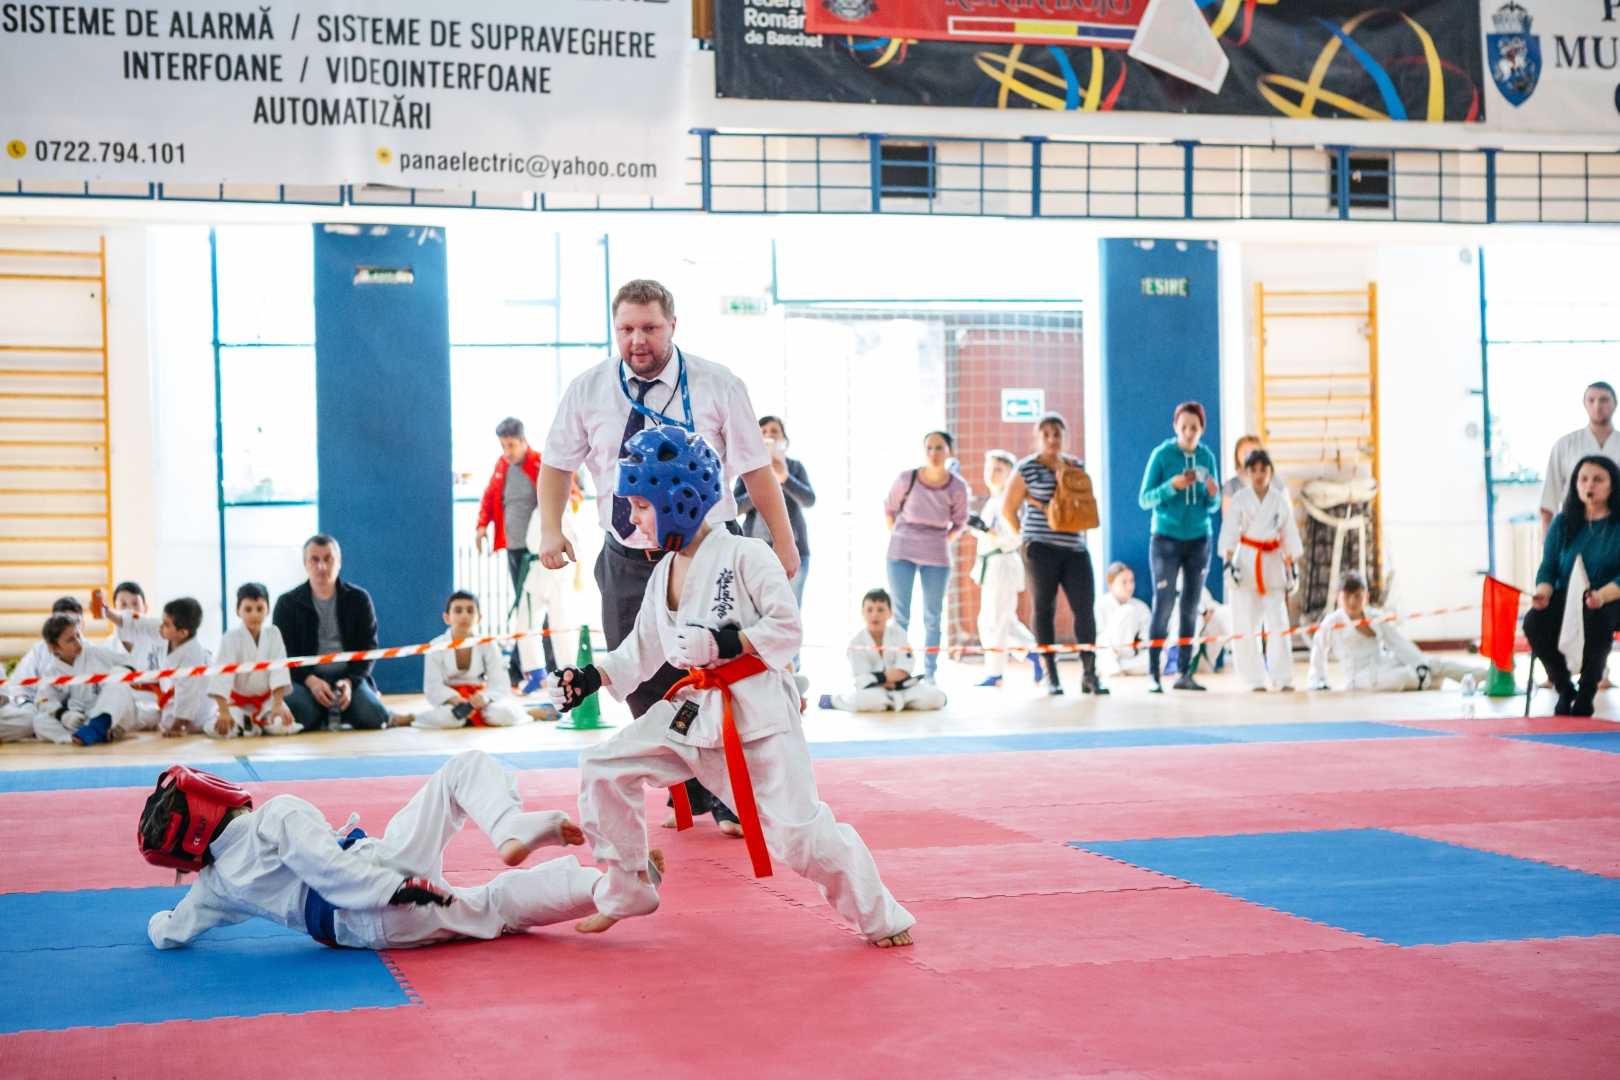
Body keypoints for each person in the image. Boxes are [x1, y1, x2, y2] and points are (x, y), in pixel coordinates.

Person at [549, 426, 914, 947]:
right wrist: (589, 678)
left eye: (641, 506)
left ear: (677, 501)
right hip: (695, 713)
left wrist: (728, 641)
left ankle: (882, 915)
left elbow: (787, 628)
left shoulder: (748, 554)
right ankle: (627, 884)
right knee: (603, 766)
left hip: (758, 718)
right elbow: (639, 651)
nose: (632, 519)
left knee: (799, 838)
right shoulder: (664, 572)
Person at [537, 279, 796, 834]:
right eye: (626, 329)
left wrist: (784, 539)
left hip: (710, 551)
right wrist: (551, 530)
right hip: (628, 554)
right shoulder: (588, 389)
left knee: (721, 671)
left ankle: (731, 790)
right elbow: (557, 463)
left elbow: (756, 468)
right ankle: (691, 783)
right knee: (640, 678)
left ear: (673, 326)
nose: (638, 340)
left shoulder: (719, 384)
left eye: (650, 328)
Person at [144, 750, 623, 951]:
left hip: (370, 935)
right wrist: (394, 888)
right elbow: (327, 868)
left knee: (496, 908)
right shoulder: (274, 816)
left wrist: (157, 923)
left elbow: (169, 931)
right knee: (461, 771)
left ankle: (601, 890)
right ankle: (508, 825)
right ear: (209, 797)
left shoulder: (211, 888)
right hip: (380, 876)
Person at [1002, 413, 1105, 697]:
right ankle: (1051, 674)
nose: (1051, 439)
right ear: (1037, 438)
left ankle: (1089, 674)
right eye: (1046, 434)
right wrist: (1024, 540)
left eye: (1057, 433)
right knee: (1044, 608)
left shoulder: (1076, 466)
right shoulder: (1026, 468)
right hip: (1040, 548)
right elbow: (1008, 509)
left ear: (1065, 437)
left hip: (1074, 548)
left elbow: (1085, 505)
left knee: (1084, 609)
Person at [1525, 455, 1620, 716]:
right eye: (1583, 479)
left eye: (1598, 479)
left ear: (1613, 485)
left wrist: (1602, 595)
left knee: (1597, 617)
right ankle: (1564, 687)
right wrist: (1543, 592)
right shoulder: (1562, 522)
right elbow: (1548, 567)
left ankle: (1587, 692)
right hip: (1568, 594)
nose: (1590, 485)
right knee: (1534, 621)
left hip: (1611, 597)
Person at [1139, 402, 1221, 692]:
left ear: (1202, 429)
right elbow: (1145, 499)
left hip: (1199, 539)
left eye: (1194, 428)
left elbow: (1213, 505)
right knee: (1164, 604)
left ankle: (1184, 673)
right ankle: (1153, 673)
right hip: (1166, 538)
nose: (1188, 432)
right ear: (1175, 427)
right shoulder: (1162, 455)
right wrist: (1171, 486)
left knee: (1190, 606)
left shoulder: (1207, 457)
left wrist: (1213, 495)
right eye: (1184, 427)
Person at [272, 535, 393, 732]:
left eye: (328, 559)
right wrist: (311, 681)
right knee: (302, 716)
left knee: (375, 717)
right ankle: (328, 712)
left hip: (348, 680)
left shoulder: (359, 599)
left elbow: (368, 649)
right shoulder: (287, 603)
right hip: (305, 682)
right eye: (314, 560)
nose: (322, 566)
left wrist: (350, 682)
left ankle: (347, 705)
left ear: (339, 562)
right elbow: (284, 653)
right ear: (305, 564)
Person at [476, 417, 563, 684]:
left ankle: (546, 667)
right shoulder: (502, 465)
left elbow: (566, 494)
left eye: (511, 445)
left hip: (537, 553)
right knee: (525, 609)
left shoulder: (541, 463)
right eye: (503, 445)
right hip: (514, 550)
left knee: (539, 608)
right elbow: (490, 496)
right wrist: (481, 526)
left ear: (524, 441)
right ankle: (522, 667)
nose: (507, 451)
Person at [884, 431, 970, 682]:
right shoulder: (907, 478)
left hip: (937, 554)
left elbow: (959, 522)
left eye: (939, 448)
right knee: (900, 616)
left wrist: (938, 542)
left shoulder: (957, 486)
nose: (934, 453)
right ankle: (900, 670)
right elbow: (889, 509)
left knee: (933, 617)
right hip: (901, 551)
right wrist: (902, 537)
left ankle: (930, 673)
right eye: (929, 448)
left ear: (950, 451)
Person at [1307, 571, 1481, 693]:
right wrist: (1319, 679)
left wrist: (1419, 663)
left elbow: (1399, 642)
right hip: (1361, 676)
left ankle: (1489, 675)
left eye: (1357, 597)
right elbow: (1319, 648)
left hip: (1384, 663)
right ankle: (1428, 680)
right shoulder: (1332, 622)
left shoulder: (1375, 617)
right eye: (1347, 597)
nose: (1352, 602)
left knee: (1436, 664)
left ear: (1366, 597)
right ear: (1338, 598)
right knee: (1404, 677)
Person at [1218, 449, 1303, 692]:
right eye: (1253, 470)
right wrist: (1229, 565)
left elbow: (1288, 535)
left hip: (1272, 563)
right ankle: (1253, 677)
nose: (1258, 474)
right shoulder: (1240, 499)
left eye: (1263, 470)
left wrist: (1293, 566)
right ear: (1246, 472)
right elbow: (1230, 532)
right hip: (1247, 562)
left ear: (1271, 472)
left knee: (1278, 621)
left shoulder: (1279, 501)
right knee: (1247, 623)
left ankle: (1282, 676)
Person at [735, 415, 815, 668]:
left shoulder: (795, 467)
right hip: (755, 555)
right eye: (764, 431)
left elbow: (809, 500)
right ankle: (764, 670)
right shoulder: (747, 470)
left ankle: (793, 671)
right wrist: (761, 485)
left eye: (775, 431)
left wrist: (783, 478)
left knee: (791, 612)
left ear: (785, 439)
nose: (769, 435)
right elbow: (734, 507)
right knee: (756, 614)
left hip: (794, 552)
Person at [396, 591, 532, 729]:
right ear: (446, 617)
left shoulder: (488, 644)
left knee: (506, 715)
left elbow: (500, 682)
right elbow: (432, 686)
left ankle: (530, 712)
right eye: (458, 611)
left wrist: (484, 697)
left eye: (470, 611)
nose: (464, 616)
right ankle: (413, 718)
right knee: (450, 717)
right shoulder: (436, 646)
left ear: (479, 617)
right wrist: (453, 699)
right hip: (452, 701)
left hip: (480, 699)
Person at [971, 450, 1040, 687]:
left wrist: (985, 530)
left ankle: (995, 673)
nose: (992, 474)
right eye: (989, 469)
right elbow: (987, 532)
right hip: (991, 564)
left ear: (1010, 474)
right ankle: (1035, 654)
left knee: (994, 622)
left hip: (1002, 564)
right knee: (1004, 620)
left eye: (998, 470)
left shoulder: (1010, 502)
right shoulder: (992, 501)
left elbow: (1014, 537)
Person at [102, 597, 216, 737]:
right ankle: (108, 726)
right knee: (137, 712)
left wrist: (176, 727)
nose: (160, 626)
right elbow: (141, 624)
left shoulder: (193, 658)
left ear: (183, 633)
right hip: (169, 703)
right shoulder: (168, 632)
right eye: (162, 621)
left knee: (157, 717)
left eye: (166, 624)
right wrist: (109, 613)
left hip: (197, 711)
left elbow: (188, 696)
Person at [821, 588, 948, 712]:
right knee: (863, 700)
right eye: (869, 610)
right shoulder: (856, 643)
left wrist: (878, 678)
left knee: (935, 697)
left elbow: (904, 670)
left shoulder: (899, 634)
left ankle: (890, 703)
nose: (875, 615)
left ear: (890, 614)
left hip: (902, 688)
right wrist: (886, 679)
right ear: (862, 613)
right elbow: (864, 679)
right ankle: (835, 700)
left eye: (880, 610)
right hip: (874, 691)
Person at [31, 614, 139, 745]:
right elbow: (45, 700)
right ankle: (87, 736)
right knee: (40, 722)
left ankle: (98, 726)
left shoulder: (97, 653)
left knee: (119, 674)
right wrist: (63, 715)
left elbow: (130, 661)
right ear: (54, 647)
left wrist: (119, 675)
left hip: (116, 716)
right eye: (70, 640)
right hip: (83, 719)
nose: (78, 642)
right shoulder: (51, 673)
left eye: (78, 635)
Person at [207, 583, 297, 738]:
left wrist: (277, 705)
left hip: (266, 702)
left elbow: (279, 671)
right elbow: (221, 678)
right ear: (238, 612)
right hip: (236, 704)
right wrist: (223, 711)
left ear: (268, 610)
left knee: (282, 725)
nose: (254, 614)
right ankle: (248, 724)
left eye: (260, 609)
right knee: (223, 731)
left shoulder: (273, 634)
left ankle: (253, 725)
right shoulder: (231, 638)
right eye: (248, 609)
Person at [0, 595, 87, 740]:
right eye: (60, 622)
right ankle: (72, 738)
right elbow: (19, 688)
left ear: (82, 624)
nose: (66, 628)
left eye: (73, 622)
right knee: (36, 721)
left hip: (81, 710)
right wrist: (27, 704)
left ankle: (87, 733)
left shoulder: (92, 651)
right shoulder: (39, 650)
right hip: (47, 710)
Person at [1541, 382, 1620, 533]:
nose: (1597, 406)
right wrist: (1547, 538)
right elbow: (1549, 497)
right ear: (1584, 404)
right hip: (1575, 526)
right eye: (1591, 400)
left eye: (1603, 400)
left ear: (1615, 404)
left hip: (1615, 528)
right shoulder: (1565, 445)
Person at [1095, 562, 1153, 676]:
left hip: (1130, 655)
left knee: (1160, 658)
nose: (1130, 586)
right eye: (1124, 582)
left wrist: (1138, 645)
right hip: (1108, 652)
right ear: (1110, 584)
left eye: (1131, 581)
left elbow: (1145, 638)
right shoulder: (1101, 604)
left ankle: (1115, 667)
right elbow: (1099, 635)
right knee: (1127, 610)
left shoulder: (1141, 607)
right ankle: (1109, 664)